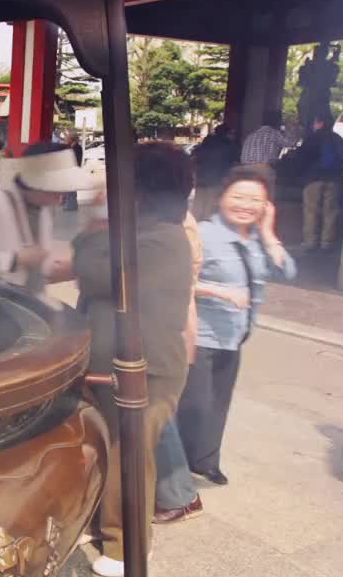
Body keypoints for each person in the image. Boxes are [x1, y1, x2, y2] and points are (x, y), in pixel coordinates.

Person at [73, 142, 195, 577]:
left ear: (140, 193)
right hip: (118, 363)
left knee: (130, 460)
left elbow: (94, 271)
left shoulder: (158, 240)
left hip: (148, 369)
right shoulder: (144, 234)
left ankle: (126, 549)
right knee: (108, 450)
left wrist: (93, 225)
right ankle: (97, 523)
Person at [177, 167, 295, 487]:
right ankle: (171, 469)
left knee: (218, 404)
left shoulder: (257, 239)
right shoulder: (202, 233)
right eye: (238, 196)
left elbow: (288, 272)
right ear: (221, 198)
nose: (245, 205)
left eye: (256, 199)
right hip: (198, 335)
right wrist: (220, 291)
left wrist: (269, 233)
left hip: (234, 336)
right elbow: (174, 278)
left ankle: (206, 462)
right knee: (195, 406)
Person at [0, 143, 93, 299]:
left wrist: (66, 269)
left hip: (27, 306)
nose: (60, 196)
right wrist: (15, 259)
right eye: (57, 188)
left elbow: (34, 269)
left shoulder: (44, 212)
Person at [152, 210, 206, 524]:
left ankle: (180, 496)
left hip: (163, 326)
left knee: (157, 412)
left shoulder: (174, 219)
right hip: (160, 324)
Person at [295, 113, 343, 252]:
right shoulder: (340, 140)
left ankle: (310, 242)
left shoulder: (312, 139)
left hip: (314, 179)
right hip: (334, 180)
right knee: (330, 211)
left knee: (311, 211)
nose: (313, 125)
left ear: (320, 123)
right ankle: (327, 243)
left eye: (314, 122)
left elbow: (302, 158)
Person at [190, 124, 238, 220]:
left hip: (202, 177)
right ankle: (207, 223)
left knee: (199, 202)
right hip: (217, 179)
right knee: (212, 204)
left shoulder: (206, 143)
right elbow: (235, 162)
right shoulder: (229, 145)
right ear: (227, 133)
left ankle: (195, 222)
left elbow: (197, 157)